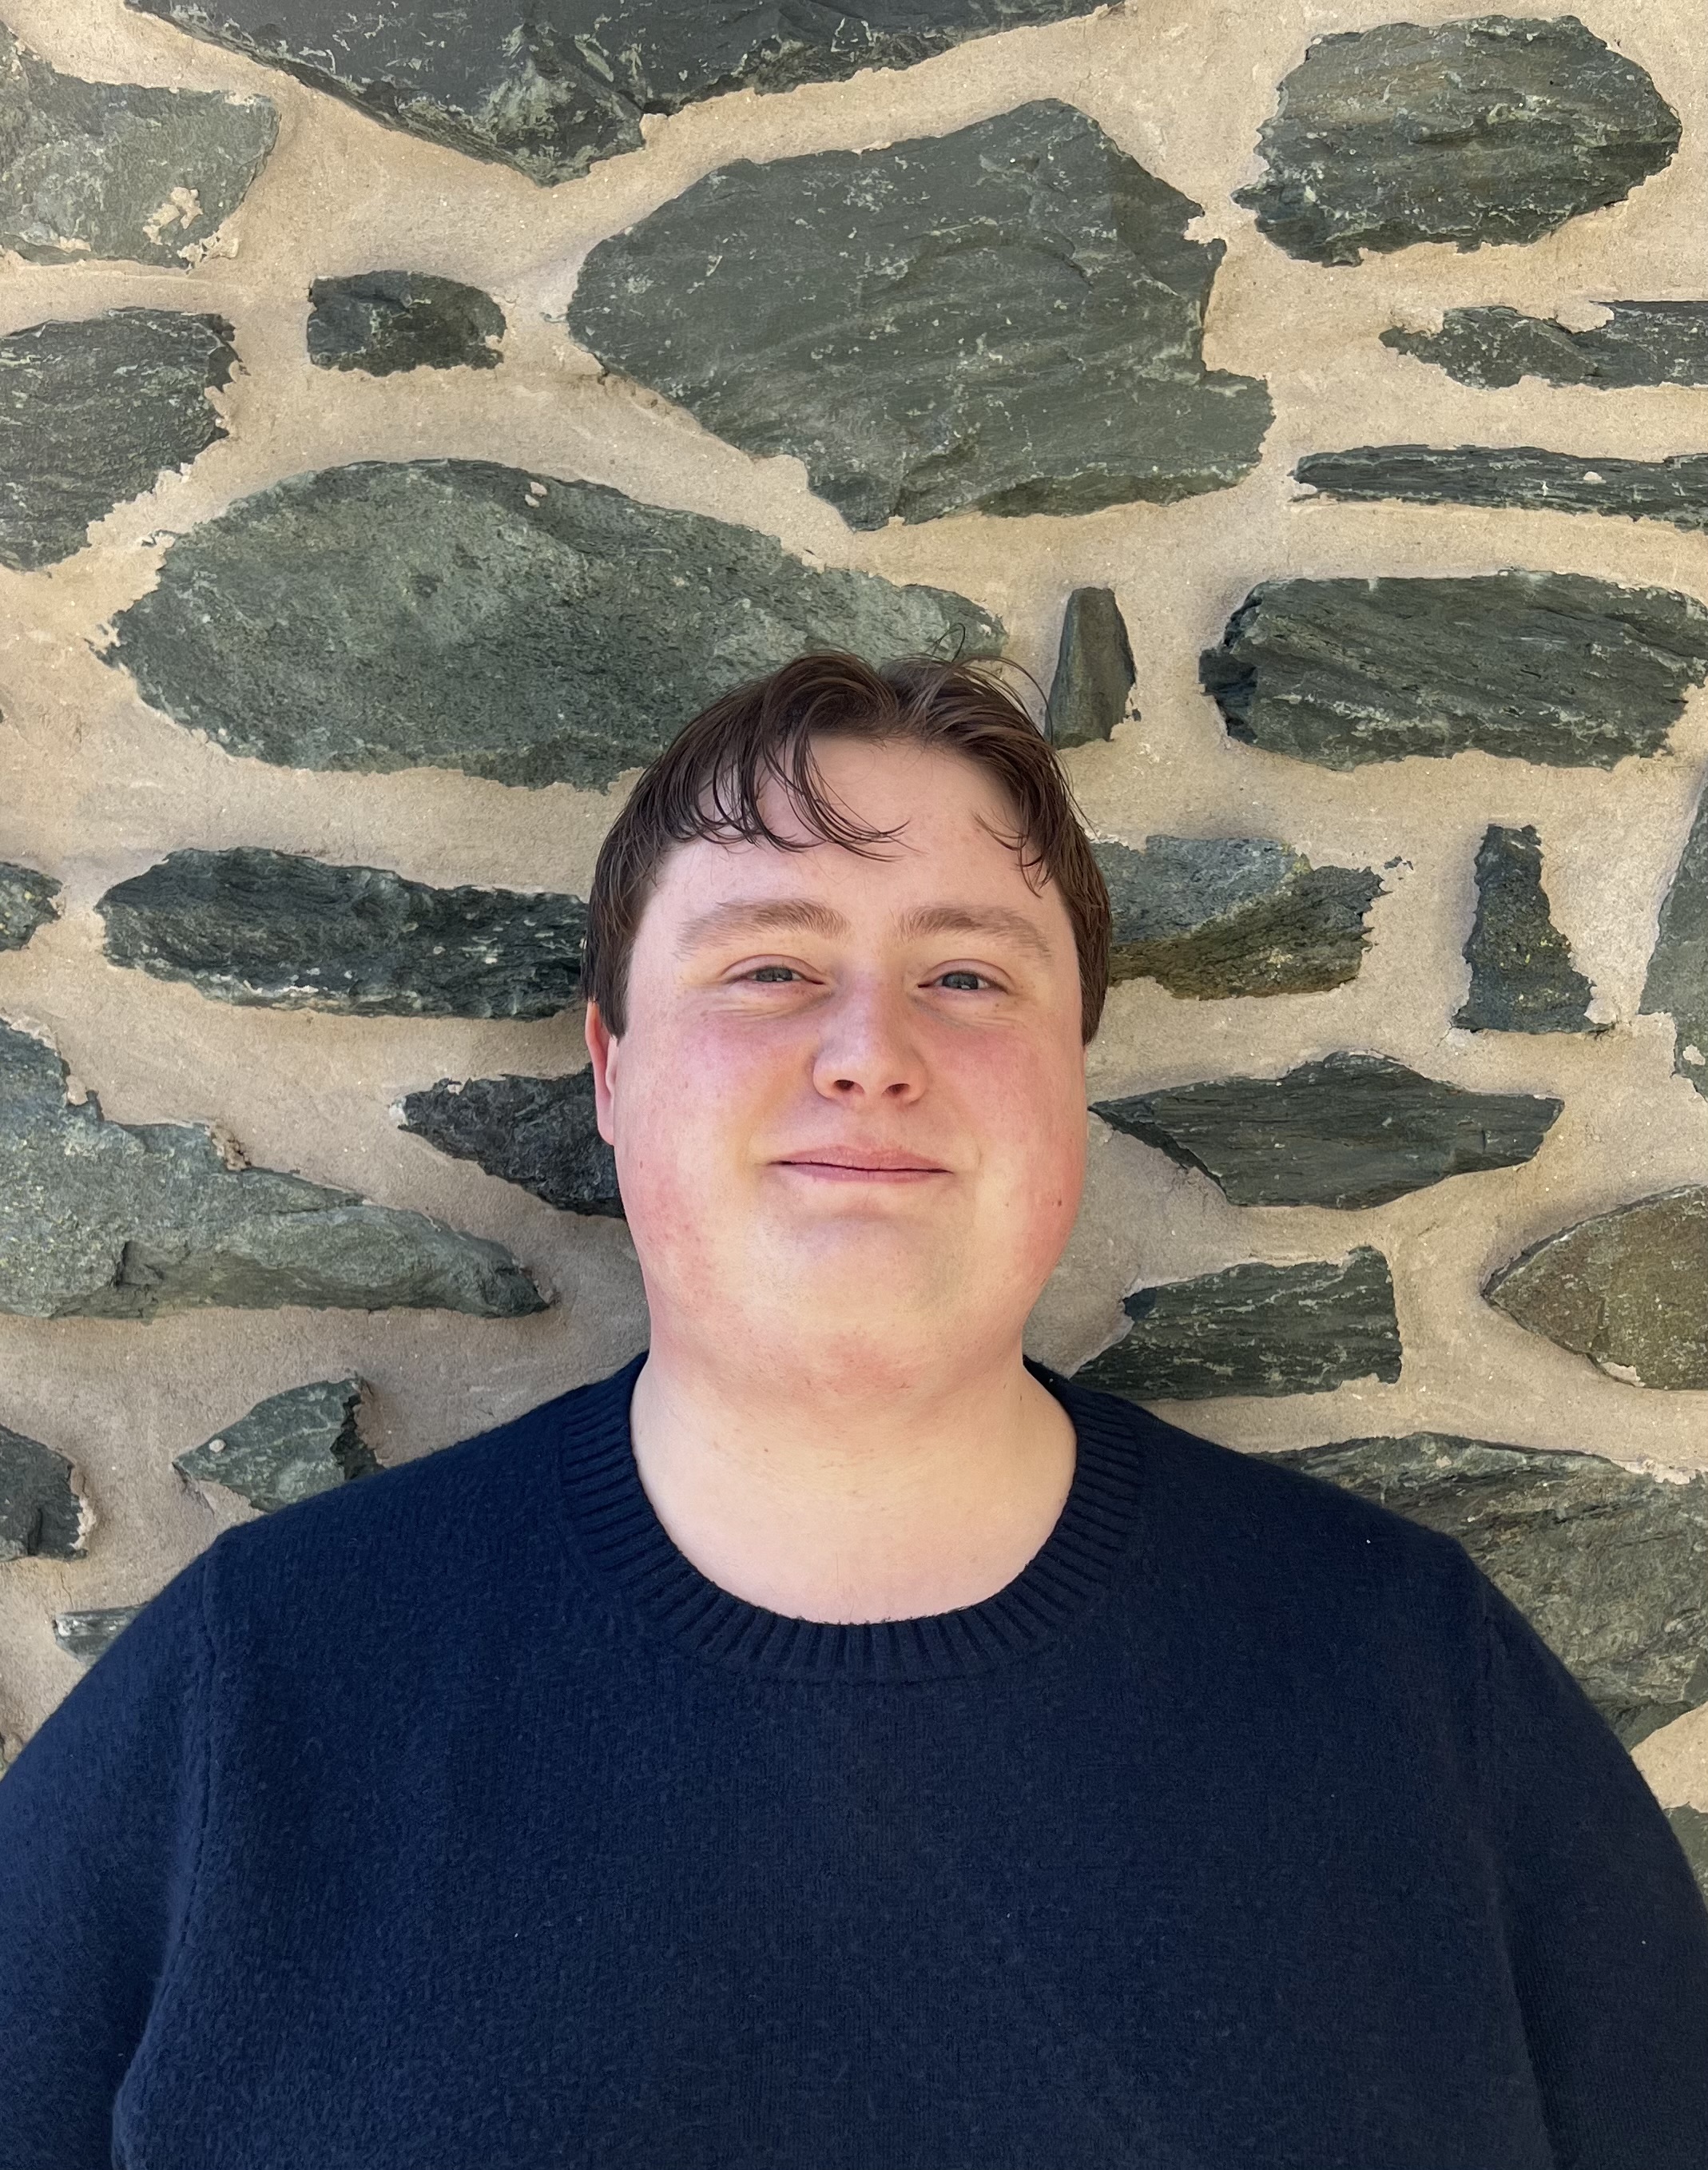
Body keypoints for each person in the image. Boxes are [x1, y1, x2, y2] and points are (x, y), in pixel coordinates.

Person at [1, 650, 1705, 2170]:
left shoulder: (1411, 1681)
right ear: (611, 1072)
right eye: (766, 970)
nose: (869, 1048)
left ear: (1071, 1082)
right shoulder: (263, 1690)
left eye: (968, 977)